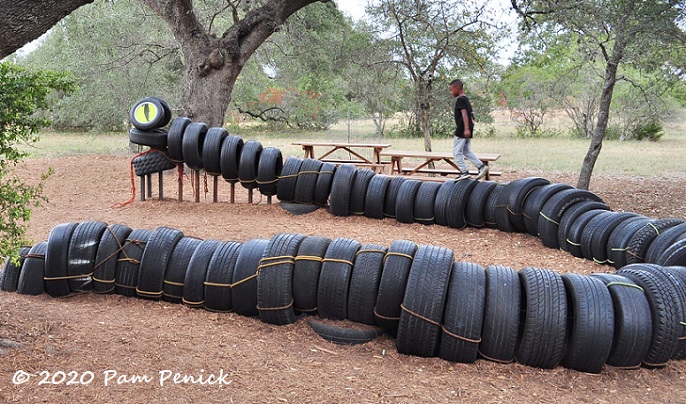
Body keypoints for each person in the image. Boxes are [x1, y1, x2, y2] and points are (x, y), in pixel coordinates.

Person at [450, 79, 488, 181]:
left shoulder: (460, 99)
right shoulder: (465, 98)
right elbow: (471, 114)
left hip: (462, 129)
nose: (451, 92)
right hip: (467, 128)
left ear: (457, 88)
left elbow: (464, 113)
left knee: (456, 151)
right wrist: (471, 126)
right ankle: (481, 166)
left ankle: (464, 171)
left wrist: (466, 128)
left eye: (451, 89)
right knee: (466, 150)